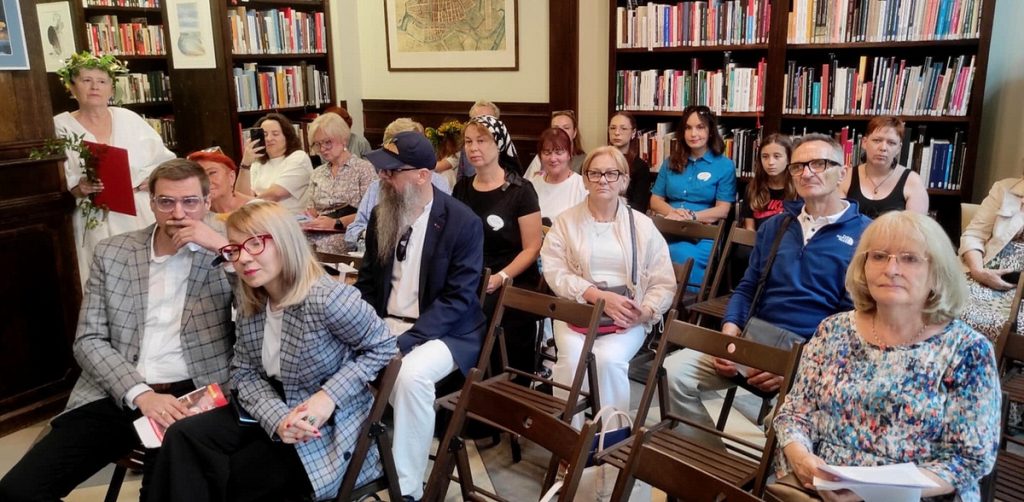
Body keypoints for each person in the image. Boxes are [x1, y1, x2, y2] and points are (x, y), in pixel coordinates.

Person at [0, 159, 233, 501]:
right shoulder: (114, 252)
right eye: (166, 202)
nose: (178, 213)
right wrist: (141, 394)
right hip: (119, 390)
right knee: (17, 491)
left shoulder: (229, 252)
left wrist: (223, 249)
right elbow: (89, 340)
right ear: (151, 202)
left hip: (192, 396)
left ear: (207, 202)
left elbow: (263, 304)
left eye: (190, 202)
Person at [148, 200, 396, 501]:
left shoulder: (327, 298)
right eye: (235, 249)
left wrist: (327, 397)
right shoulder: (254, 299)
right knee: (183, 436)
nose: (243, 258)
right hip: (275, 404)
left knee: (236, 474)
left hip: (327, 421)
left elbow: (384, 346)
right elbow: (244, 372)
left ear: (285, 242)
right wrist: (276, 418)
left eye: (255, 243)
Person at [774, 211, 999, 502]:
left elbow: (970, 459)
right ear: (863, 266)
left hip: (918, 495)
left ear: (937, 272)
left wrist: (872, 490)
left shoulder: (968, 349)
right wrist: (802, 459)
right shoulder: (832, 330)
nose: (891, 269)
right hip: (821, 489)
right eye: (879, 256)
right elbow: (793, 414)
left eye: (910, 259)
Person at [664, 133, 872, 445]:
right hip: (755, 341)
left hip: (809, 356)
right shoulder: (777, 226)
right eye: (798, 166)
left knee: (787, 423)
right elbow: (747, 288)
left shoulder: (867, 236)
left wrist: (798, 367)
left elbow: (853, 322)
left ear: (842, 172)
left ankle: (766, 471)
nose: (807, 173)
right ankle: (709, 460)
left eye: (819, 164)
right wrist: (729, 336)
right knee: (673, 371)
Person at [355, 131, 486, 501]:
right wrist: (358, 326)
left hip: (447, 331)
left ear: (422, 175)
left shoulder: (462, 222)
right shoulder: (382, 214)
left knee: (410, 377)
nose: (383, 178)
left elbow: (458, 300)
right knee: (331, 354)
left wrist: (405, 342)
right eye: (382, 170)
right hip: (387, 322)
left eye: (392, 171)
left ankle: (406, 490)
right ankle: (350, 469)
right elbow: (367, 283)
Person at [541, 146, 675, 421]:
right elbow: (554, 270)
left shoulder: (642, 226)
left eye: (611, 173)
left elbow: (663, 281)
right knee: (571, 360)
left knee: (608, 360)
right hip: (576, 312)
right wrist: (595, 295)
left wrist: (646, 312)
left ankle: (612, 439)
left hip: (626, 318)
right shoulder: (565, 222)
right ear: (585, 179)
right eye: (595, 173)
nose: (603, 180)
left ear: (624, 180)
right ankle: (569, 437)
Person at [52, 52, 176, 284]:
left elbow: (164, 161)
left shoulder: (128, 118)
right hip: (92, 216)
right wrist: (79, 188)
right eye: (86, 80)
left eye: (102, 81)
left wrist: (154, 179)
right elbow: (55, 181)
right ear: (71, 86)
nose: (95, 87)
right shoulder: (59, 126)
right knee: (103, 278)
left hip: (137, 210)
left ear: (111, 88)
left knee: (148, 275)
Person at [454, 115, 544, 375]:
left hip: (512, 277)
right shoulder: (461, 188)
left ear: (499, 144)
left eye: (481, 141)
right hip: (472, 274)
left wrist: (501, 277)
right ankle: (458, 384)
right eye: (468, 141)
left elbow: (532, 248)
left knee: (487, 310)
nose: (473, 148)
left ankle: (499, 384)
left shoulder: (521, 190)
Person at [649, 105, 737, 288]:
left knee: (682, 255)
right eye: (688, 128)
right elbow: (655, 201)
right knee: (646, 252)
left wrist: (691, 216)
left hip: (701, 233)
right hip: (668, 227)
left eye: (700, 127)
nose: (693, 134)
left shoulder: (724, 165)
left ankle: (683, 304)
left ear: (710, 131)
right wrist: (674, 213)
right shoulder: (670, 162)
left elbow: (723, 210)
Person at [344, 118, 451, 248]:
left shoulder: (439, 185)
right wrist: (375, 236)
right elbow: (352, 233)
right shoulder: (377, 188)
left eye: (392, 169)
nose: (382, 174)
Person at [959, 176, 1024, 342]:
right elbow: (974, 235)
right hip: (984, 278)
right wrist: (978, 271)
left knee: (1011, 328)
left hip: (1019, 294)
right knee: (947, 310)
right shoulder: (1003, 189)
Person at [302, 113, 376, 253]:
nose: (322, 149)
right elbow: (312, 211)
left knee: (324, 245)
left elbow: (372, 213)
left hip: (347, 233)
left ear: (343, 140)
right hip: (317, 232)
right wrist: (304, 219)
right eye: (317, 144)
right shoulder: (317, 173)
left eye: (327, 142)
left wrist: (336, 223)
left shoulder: (363, 169)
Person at [840, 116, 929, 219]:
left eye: (891, 143)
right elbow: (836, 222)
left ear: (899, 148)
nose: (883, 148)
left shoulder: (913, 181)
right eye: (877, 140)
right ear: (864, 142)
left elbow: (914, 227)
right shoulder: (846, 177)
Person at [238, 112, 314, 215]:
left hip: (290, 218)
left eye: (275, 134)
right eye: (264, 135)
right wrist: (245, 164)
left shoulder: (298, 157)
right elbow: (240, 195)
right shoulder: (257, 163)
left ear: (287, 137)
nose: (269, 139)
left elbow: (275, 194)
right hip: (260, 216)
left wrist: (247, 203)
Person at [436, 100, 523, 179]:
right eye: (476, 120)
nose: (480, 125)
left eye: (486, 121)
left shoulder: (504, 151)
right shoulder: (466, 147)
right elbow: (461, 175)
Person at [528, 127, 588, 224]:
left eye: (559, 152)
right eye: (547, 152)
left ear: (569, 154)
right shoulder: (532, 184)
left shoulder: (582, 186)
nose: (552, 158)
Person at [741, 133, 797, 230]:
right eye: (765, 156)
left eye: (777, 156)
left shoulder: (799, 189)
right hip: (758, 238)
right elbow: (750, 229)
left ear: (789, 159)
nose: (770, 162)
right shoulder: (752, 188)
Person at [608, 111, 653, 213]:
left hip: (627, 215)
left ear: (633, 133)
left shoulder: (641, 167)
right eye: (613, 128)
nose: (617, 133)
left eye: (623, 128)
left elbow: (639, 207)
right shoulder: (599, 161)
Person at [186, 148, 252, 214]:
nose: (206, 181)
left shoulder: (254, 209)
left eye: (212, 173)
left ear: (231, 177)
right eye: (198, 175)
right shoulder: (192, 215)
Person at [524, 110, 587, 177]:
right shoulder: (541, 158)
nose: (561, 132)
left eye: (566, 128)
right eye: (555, 128)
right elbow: (528, 181)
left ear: (574, 132)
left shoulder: (584, 161)